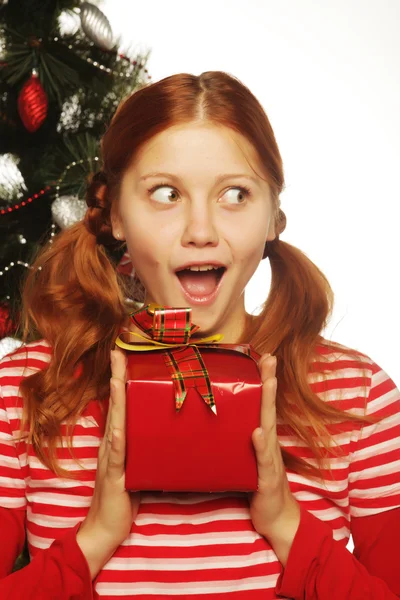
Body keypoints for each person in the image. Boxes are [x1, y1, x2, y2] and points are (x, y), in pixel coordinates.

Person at [0, 70, 399, 600]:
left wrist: (287, 524)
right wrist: (93, 541)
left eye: (236, 194)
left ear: (273, 217)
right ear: (116, 213)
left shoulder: (356, 394)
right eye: (165, 194)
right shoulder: (25, 391)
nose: (202, 230)